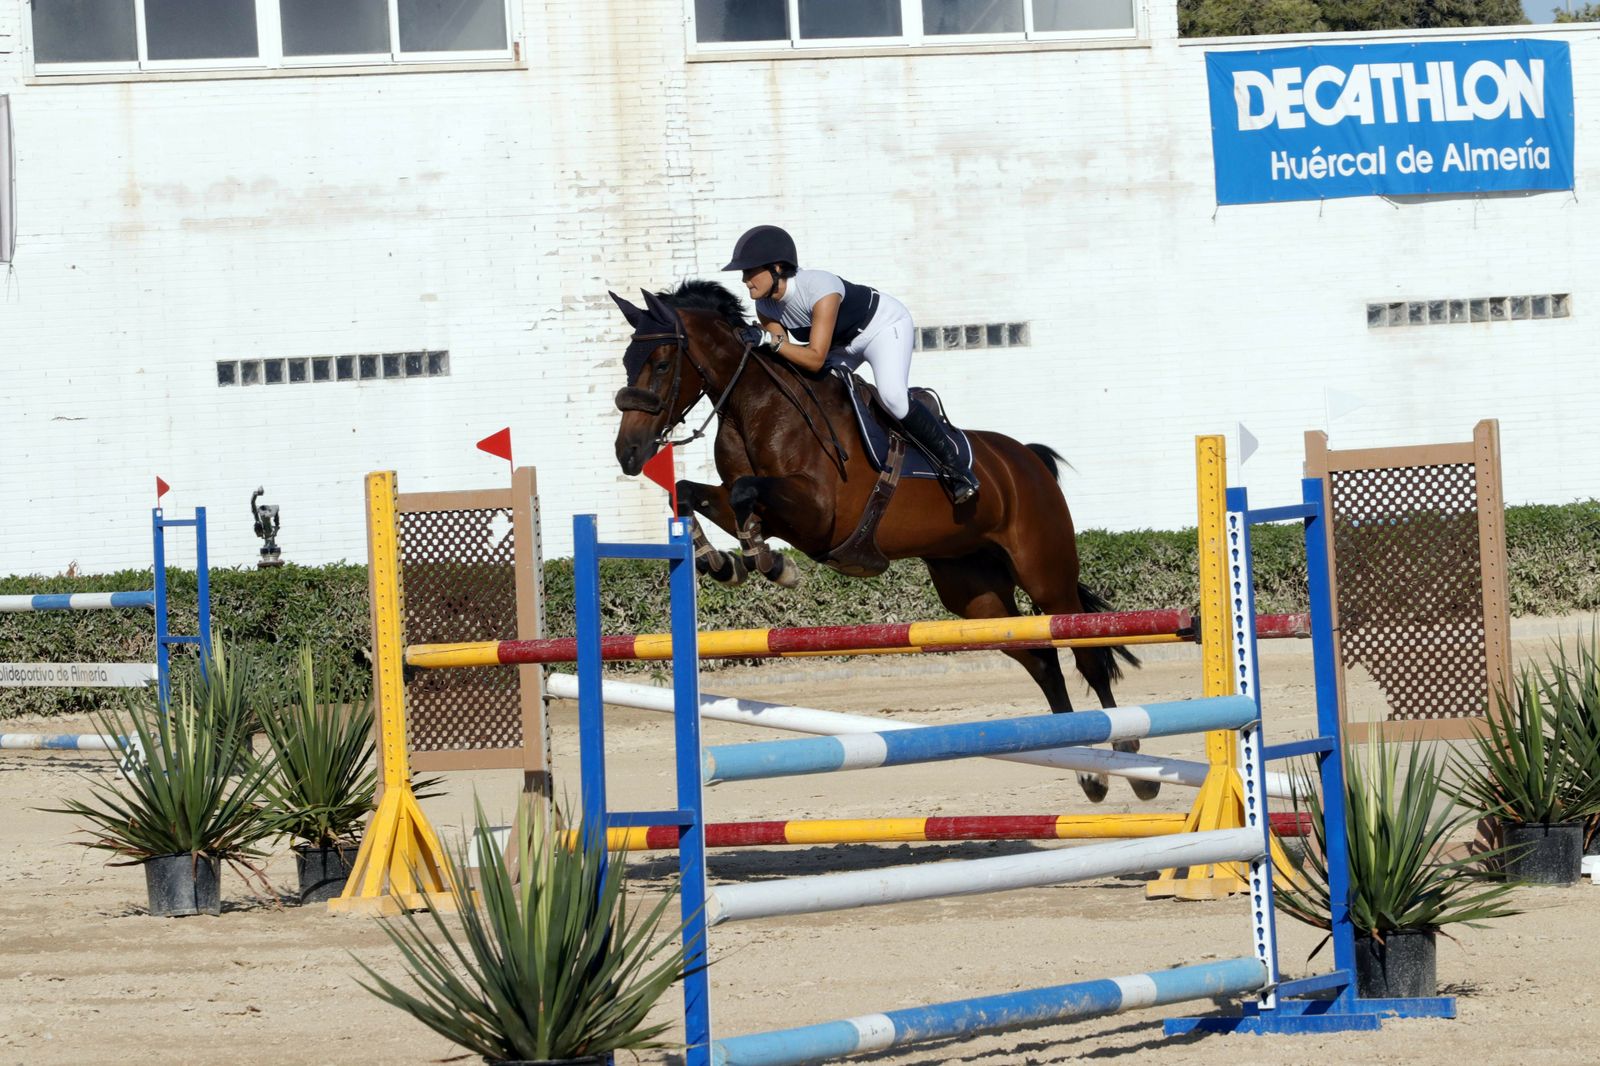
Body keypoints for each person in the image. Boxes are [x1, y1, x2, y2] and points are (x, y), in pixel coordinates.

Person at [722, 225, 980, 505]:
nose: (745, 280)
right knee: (816, 390)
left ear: (777, 268)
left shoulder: (819, 286)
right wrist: (762, 342)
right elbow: (789, 355)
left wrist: (769, 341)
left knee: (893, 397)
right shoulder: (766, 307)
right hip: (842, 345)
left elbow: (814, 356)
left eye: (750, 271)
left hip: (882, 328)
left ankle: (957, 470)